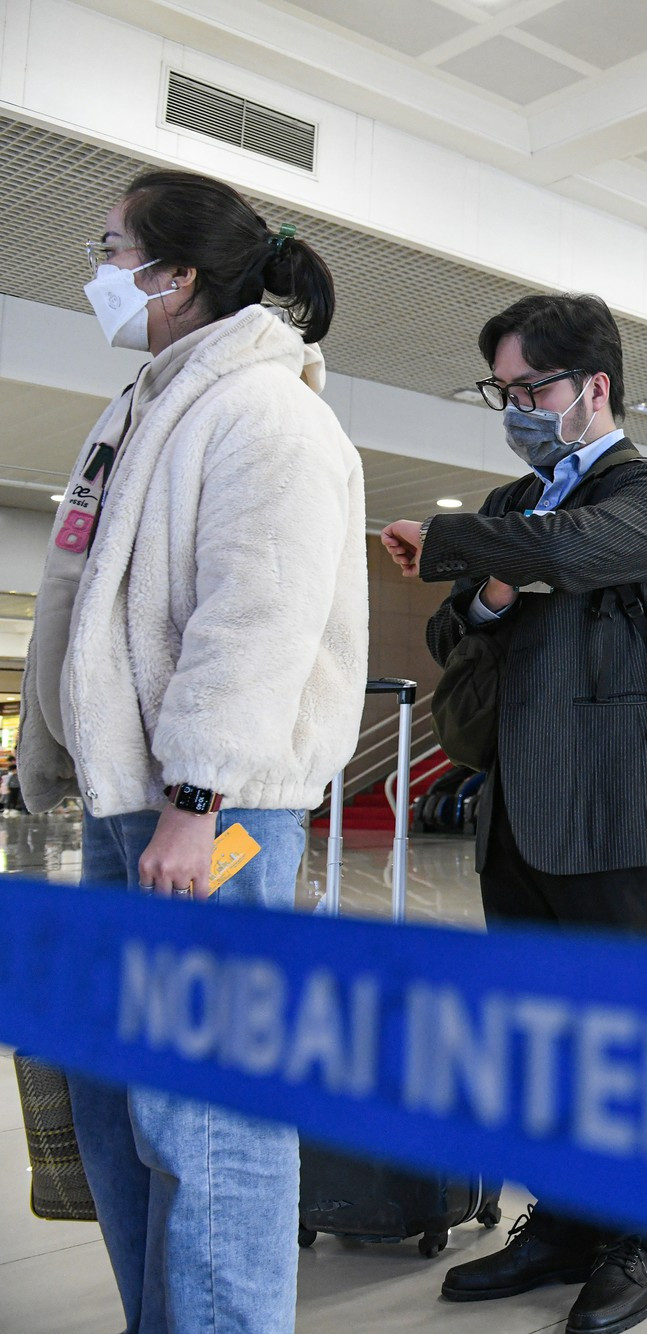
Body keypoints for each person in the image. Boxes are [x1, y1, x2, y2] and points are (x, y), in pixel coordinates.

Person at [19, 170, 362, 1334]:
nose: (97, 264)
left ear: (175, 279)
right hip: (139, 803)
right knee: (122, 1106)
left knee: (209, 1115)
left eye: (111, 246)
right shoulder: (148, 403)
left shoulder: (268, 414)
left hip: (208, 814)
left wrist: (197, 795)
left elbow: (254, 618)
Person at [385, 293, 647, 1331]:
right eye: (502, 392)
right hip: (514, 802)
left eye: (533, 390)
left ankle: (639, 1238)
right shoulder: (516, 496)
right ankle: (561, 1220)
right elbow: (449, 631)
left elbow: (584, 546)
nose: (515, 409)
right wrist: (488, 588)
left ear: (594, 386)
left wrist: (465, 543)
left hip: (611, 807)